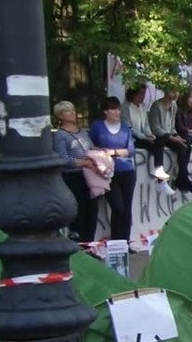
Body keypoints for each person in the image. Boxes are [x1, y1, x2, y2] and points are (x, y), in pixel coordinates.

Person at [89, 97, 137, 243]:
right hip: (108, 172)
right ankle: (116, 242)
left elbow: (131, 150)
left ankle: (125, 241)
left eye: (118, 109)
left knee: (127, 208)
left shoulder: (125, 127)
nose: (117, 112)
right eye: (113, 109)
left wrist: (113, 152)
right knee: (118, 207)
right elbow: (90, 145)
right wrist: (102, 152)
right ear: (105, 111)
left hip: (127, 170)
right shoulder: (97, 126)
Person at [51, 101, 99, 243]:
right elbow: (62, 159)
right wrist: (82, 162)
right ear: (60, 116)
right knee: (79, 211)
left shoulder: (83, 132)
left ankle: (90, 243)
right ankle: (79, 242)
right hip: (74, 176)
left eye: (72, 110)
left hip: (90, 175)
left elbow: (91, 148)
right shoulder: (60, 135)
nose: (72, 113)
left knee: (92, 210)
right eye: (67, 111)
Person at [123, 86, 170, 184]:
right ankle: (159, 171)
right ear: (133, 94)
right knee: (153, 145)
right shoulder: (125, 107)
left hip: (144, 136)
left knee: (160, 140)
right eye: (141, 93)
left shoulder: (143, 106)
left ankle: (159, 169)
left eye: (144, 93)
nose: (143, 96)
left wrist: (149, 134)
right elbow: (129, 128)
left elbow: (145, 125)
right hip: (133, 139)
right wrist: (143, 137)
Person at [148, 90, 188, 196]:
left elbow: (172, 126)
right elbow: (155, 128)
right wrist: (171, 137)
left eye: (177, 91)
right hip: (159, 135)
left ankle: (181, 177)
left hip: (169, 135)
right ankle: (160, 177)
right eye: (173, 91)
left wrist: (176, 135)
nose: (176, 94)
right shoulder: (157, 106)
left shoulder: (174, 105)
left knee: (184, 146)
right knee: (160, 140)